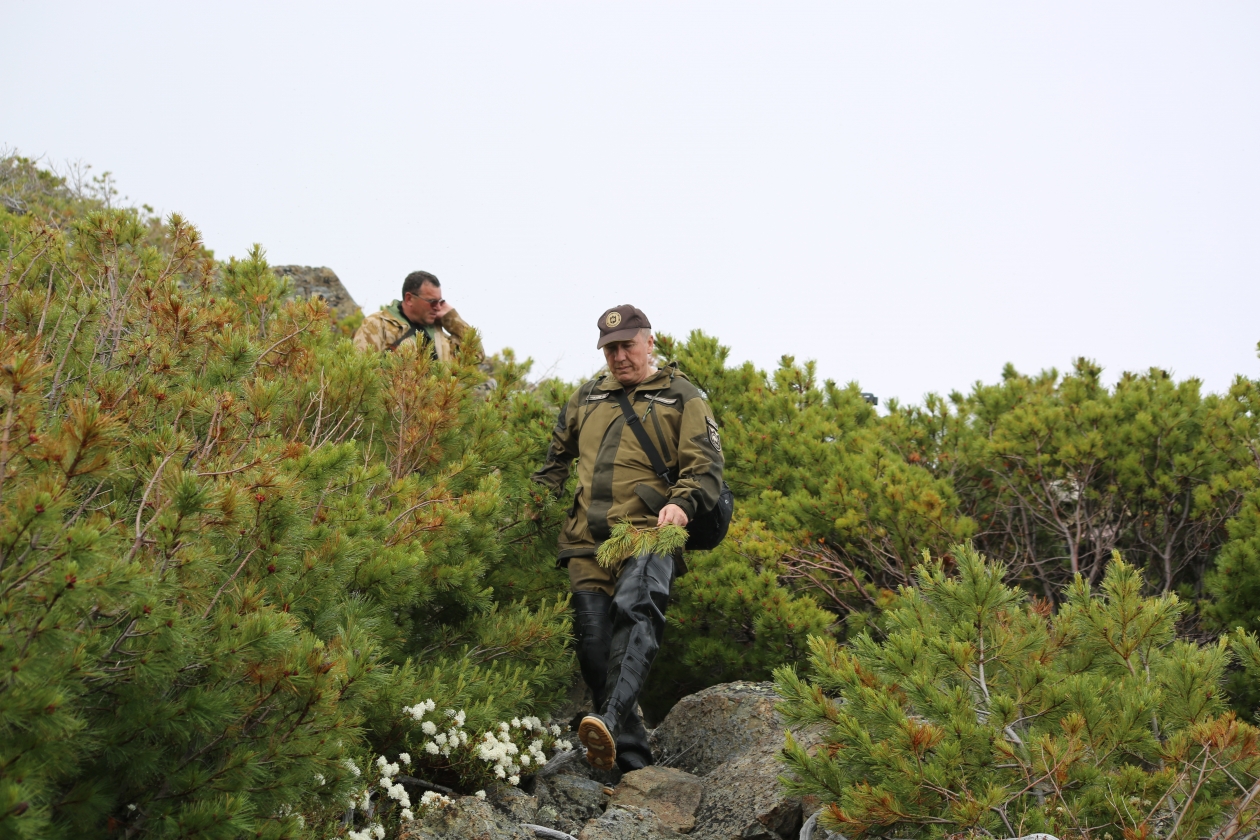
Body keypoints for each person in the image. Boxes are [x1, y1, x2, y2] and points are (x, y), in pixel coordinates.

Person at [531, 304, 725, 771]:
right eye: (610, 348)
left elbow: (705, 468)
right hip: (585, 540)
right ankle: (632, 762)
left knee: (637, 613)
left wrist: (682, 503)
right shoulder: (587, 396)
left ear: (648, 342)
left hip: (648, 531)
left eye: (626, 346)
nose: (618, 356)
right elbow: (555, 462)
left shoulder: (683, 396)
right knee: (594, 647)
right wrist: (531, 501)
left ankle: (609, 717)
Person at [353, 270, 477, 361]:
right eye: (432, 302)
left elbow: (476, 355)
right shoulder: (377, 325)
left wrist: (451, 317)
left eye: (440, 302)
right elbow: (361, 373)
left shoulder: (439, 335)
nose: (438, 307)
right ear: (409, 299)